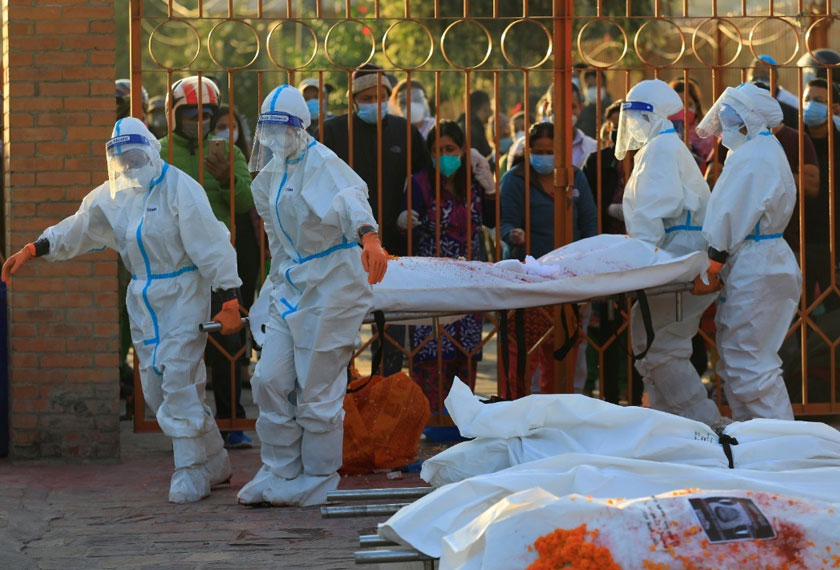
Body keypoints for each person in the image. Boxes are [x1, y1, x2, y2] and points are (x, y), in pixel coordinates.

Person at [2, 118, 243, 502]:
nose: (129, 164)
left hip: (183, 291)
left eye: (135, 155)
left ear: (151, 149)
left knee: (179, 378)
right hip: (143, 297)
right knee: (156, 390)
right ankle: (214, 460)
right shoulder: (112, 195)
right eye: (121, 158)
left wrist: (228, 296)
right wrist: (36, 248)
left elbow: (212, 242)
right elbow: (78, 227)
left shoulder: (181, 188)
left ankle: (190, 469)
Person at [237, 85, 387, 507]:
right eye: (265, 129)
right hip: (292, 284)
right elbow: (279, 244)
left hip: (333, 284)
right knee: (269, 379)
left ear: (300, 127)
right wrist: (270, 290)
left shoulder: (324, 164)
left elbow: (350, 200)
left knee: (317, 388)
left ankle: (320, 478)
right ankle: (280, 468)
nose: (272, 137)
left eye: (280, 128)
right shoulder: (270, 177)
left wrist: (369, 237)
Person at [615, 78, 722, 426]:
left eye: (636, 115)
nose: (630, 124)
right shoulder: (662, 147)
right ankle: (666, 428)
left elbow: (650, 215)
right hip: (677, 253)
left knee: (663, 349)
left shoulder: (661, 150)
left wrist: (639, 261)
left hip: (674, 256)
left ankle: (705, 426)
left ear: (654, 116)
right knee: (651, 344)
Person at [693, 82, 800, 421]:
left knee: (750, 363)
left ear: (748, 119)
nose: (722, 123)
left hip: (756, 264)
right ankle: (757, 443)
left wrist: (711, 265)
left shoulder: (754, 156)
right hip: (759, 261)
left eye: (728, 115)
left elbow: (730, 216)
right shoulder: (758, 150)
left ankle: (777, 449)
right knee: (743, 359)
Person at [161, 76, 255, 449]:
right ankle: (184, 425)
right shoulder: (160, 152)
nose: (198, 121)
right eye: (189, 114)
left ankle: (230, 420)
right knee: (180, 345)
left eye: (205, 115)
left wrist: (228, 179)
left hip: (218, 265)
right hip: (176, 262)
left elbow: (249, 204)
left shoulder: (228, 152)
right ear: (174, 115)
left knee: (227, 341)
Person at [323, 64, 431, 376]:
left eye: (380, 96)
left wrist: (409, 210)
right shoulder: (332, 131)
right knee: (341, 327)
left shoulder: (403, 130)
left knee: (390, 327)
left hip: (393, 243)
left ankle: (385, 390)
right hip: (341, 245)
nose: (375, 102)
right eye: (367, 97)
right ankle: (343, 394)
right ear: (353, 99)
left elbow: (425, 177)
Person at [398, 121, 495, 413]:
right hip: (431, 279)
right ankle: (429, 417)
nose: (444, 155)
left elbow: (490, 220)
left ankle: (462, 419)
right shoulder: (419, 182)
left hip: (469, 278)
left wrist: (491, 189)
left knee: (464, 351)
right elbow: (406, 222)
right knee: (429, 350)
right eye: (437, 150)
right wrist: (404, 222)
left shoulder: (475, 183)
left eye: (450, 149)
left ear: (463, 151)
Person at [499, 122, 597, 398]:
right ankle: (516, 412)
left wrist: (588, 261)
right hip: (528, 279)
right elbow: (505, 222)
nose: (543, 157)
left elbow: (589, 223)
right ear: (528, 151)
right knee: (523, 355)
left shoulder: (575, 178)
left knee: (562, 355)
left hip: (568, 279)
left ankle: (558, 414)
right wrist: (513, 234)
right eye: (538, 151)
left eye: (549, 151)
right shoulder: (515, 180)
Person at [800, 78, 840, 308]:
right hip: (797, 242)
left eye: (819, 100)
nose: (810, 105)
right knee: (796, 308)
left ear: (833, 108)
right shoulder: (793, 141)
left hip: (832, 243)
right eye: (807, 99)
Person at [457, 90, 494, 158]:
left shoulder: (462, 124)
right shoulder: (473, 130)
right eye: (490, 106)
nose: (492, 111)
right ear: (485, 107)